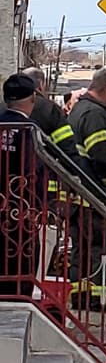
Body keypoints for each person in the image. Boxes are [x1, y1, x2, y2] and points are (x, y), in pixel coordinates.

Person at [67, 68, 106, 310]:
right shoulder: (95, 114)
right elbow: (101, 155)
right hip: (98, 196)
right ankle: (104, 299)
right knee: (102, 248)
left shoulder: (81, 109)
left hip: (81, 195)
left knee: (82, 250)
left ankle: (81, 296)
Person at [1, 74, 40, 298]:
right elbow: (31, 169)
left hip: (4, 204)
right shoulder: (29, 129)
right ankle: (19, 296)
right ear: (33, 97)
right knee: (21, 263)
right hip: (21, 210)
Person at [21, 67, 75, 154]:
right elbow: (66, 144)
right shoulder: (50, 108)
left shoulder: (6, 105)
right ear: (41, 84)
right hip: (40, 161)